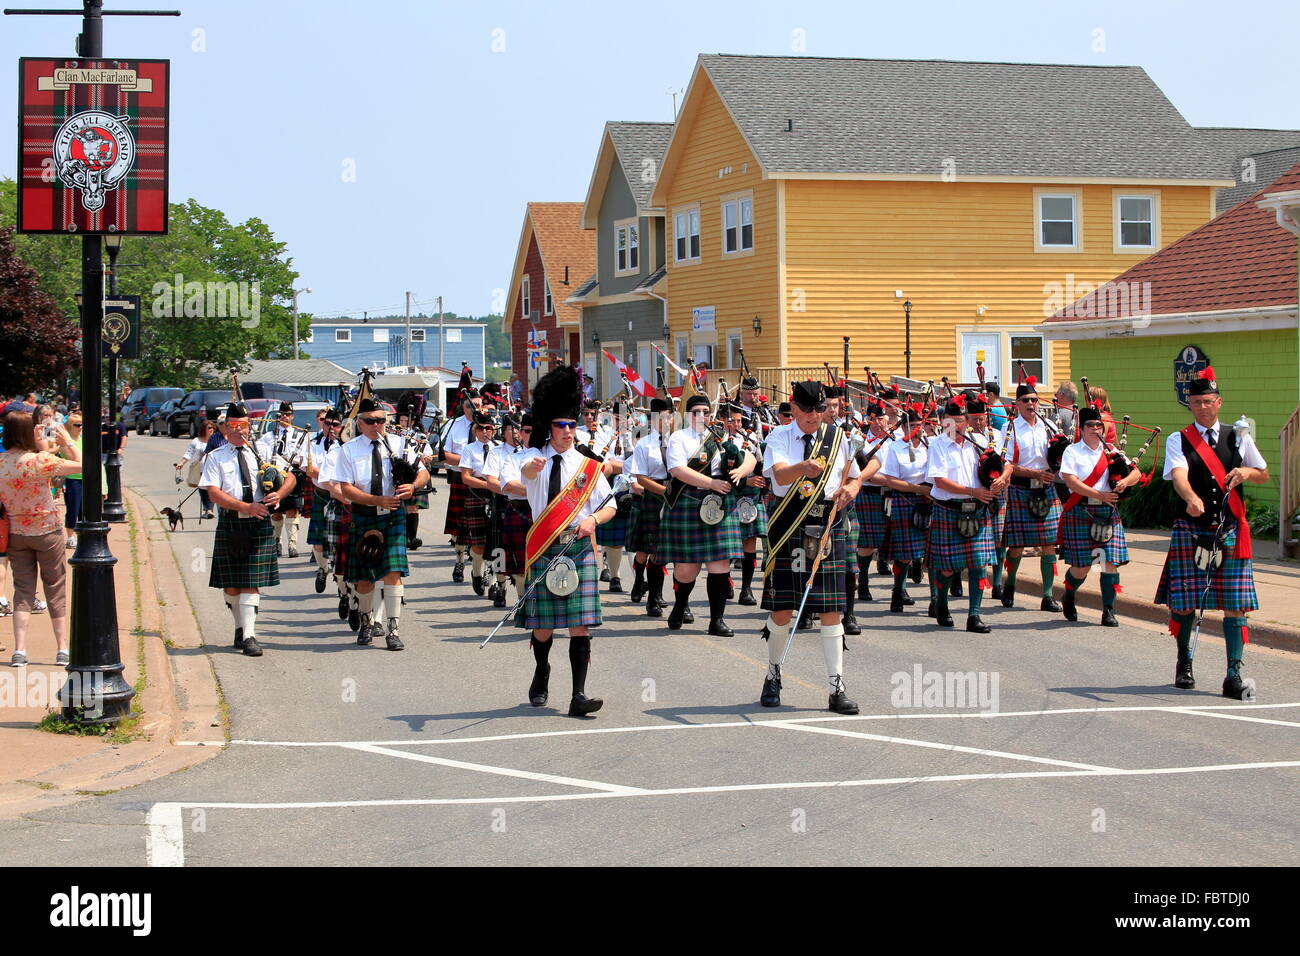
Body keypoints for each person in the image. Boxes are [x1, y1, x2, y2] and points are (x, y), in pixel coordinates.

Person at [1156, 367, 1268, 698]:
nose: (1203, 407)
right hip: (1192, 529)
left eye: (1208, 401)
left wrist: (1246, 471)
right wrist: (1190, 498)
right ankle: (1184, 663)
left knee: (1236, 604)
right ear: (1189, 404)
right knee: (1186, 602)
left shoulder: (1239, 436)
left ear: (1219, 402)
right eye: (1196, 402)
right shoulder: (1179, 438)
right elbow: (1178, 474)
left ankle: (1233, 675)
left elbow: (1262, 474)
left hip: (1231, 529)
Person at [758, 380, 864, 713]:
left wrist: (851, 490)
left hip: (828, 525)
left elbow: (855, 476)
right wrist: (803, 468)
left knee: (833, 611)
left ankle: (836, 687)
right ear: (794, 407)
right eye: (807, 410)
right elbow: (779, 476)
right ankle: (773, 674)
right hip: (791, 526)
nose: (813, 417)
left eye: (819, 410)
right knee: (783, 610)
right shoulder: (778, 437)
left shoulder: (838, 439)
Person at [517, 365, 616, 717]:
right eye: (561, 425)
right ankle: (542, 671)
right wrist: (534, 468)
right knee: (543, 627)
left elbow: (610, 505)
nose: (568, 431)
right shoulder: (533, 459)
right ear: (549, 426)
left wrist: (592, 519)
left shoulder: (587, 466)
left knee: (581, 623)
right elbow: (524, 474)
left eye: (572, 425)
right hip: (545, 547)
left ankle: (578, 694)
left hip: (576, 547)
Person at [199, 403, 295, 657]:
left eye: (242, 425)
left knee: (251, 582)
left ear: (249, 426)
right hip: (232, 521)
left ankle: (251, 636)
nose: (238, 430)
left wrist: (279, 494)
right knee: (231, 586)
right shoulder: (215, 457)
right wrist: (245, 506)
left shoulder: (263, 451)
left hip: (259, 520)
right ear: (224, 428)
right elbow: (213, 493)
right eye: (232, 426)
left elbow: (292, 478)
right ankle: (240, 627)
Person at [334, 398, 428, 650]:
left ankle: (393, 630)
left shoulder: (399, 444)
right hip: (364, 514)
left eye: (381, 420)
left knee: (393, 573)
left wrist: (414, 486)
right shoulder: (349, 450)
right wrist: (377, 500)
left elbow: (423, 472)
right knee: (364, 578)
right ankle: (366, 623)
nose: (376, 425)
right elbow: (346, 489)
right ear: (359, 423)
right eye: (370, 421)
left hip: (394, 515)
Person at [659, 394, 756, 636]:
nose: (701, 416)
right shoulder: (678, 438)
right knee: (686, 569)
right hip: (690, 502)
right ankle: (680, 605)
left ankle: (717, 620)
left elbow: (752, 456)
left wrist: (740, 472)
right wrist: (711, 483)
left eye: (705, 411)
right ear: (688, 415)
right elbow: (677, 470)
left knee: (720, 564)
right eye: (696, 412)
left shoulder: (722, 436)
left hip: (721, 504)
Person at [0, 412, 82, 666]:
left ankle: (20, 651)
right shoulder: (39, 461)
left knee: (22, 591)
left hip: (16, 532)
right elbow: (82, 465)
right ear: (28, 433)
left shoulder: (2, 461)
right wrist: (67, 439)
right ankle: (62, 648)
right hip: (47, 530)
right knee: (54, 587)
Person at [925, 399, 1008, 631]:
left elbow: (1006, 463)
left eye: (961, 421)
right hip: (949, 510)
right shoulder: (937, 445)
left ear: (966, 421)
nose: (957, 426)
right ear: (944, 423)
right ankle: (941, 603)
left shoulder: (979, 442)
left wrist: (1001, 478)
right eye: (952, 422)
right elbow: (939, 480)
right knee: (948, 568)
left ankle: (974, 616)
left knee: (979, 565)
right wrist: (973, 491)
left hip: (978, 510)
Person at [1057, 406, 1141, 626]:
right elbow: (1070, 480)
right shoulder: (1072, 451)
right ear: (1082, 429)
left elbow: (1137, 473)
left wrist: (1125, 481)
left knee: (1108, 563)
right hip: (1081, 509)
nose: (1095, 429)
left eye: (1098, 425)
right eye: (1090, 425)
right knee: (1082, 566)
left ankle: (1109, 611)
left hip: (1107, 512)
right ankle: (1069, 594)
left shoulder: (1112, 451)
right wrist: (1099, 494)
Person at [1001, 376, 1063, 613]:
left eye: (1035, 400)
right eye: (1026, 400)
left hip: (1046, 488)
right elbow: (1006, 463)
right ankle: (1010, 584)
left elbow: (1059, 455)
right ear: (1017, 404)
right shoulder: (1010, 428)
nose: (1031, 404)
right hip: (1020, 488)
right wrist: (1034, 472)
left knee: (1049, 543)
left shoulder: (1050, 427)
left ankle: (1047, 596)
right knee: (1016, 545)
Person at [874, 409, 929, 613]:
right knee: (905, 554)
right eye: (912, 426)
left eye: (919, 425)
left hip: (930, 500)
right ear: (904, 427)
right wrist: (917, 488)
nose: (917, 429)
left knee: (932, 554)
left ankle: (936, 600)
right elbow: (890, 480)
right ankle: (898, 591)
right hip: (906, 499)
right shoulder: (895, 448)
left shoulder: (931, 446)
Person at [627, 397, 673, 616]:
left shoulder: (678, 441)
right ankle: (651, 597)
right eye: (661, 417)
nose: (665, 421)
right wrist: (664, 491)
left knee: (669, 551)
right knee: (651, 550)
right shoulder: (645, 444)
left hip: (677, 496)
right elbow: (641, 478)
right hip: (654, 497)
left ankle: (671, 598)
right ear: (653, 419)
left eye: (668, 416)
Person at [722, 404, 768, 606]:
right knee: (728, 544)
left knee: (749, 542)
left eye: (740, 420)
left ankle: (746, 589)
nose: (737, 424)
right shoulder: (717, 440)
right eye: (733, 420)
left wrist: (758, 479)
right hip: (728, 494)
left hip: (750, 496)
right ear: (722, 420)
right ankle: (725, 580)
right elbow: (719, 472)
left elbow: (760, 464)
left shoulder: (749, 440)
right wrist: (745, 481)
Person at [459, 411, 502, 599]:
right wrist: (488, 484)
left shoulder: (499, 448)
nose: (485, 432)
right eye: (481, 428)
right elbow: (466, 477)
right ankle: (477, 573)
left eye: (489, 428)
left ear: (493, 431)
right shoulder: (469, 449)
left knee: (496, 542)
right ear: (476, 431)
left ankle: (492, 582)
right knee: (478, 544)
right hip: (477, 495)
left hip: (498, 496)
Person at [257, 402, 306, 558]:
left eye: (288, 414)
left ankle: (292, 545)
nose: (285, 417)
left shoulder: (299, 435)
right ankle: (277, 542)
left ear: (292, 416)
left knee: (293, 511)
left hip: (292, 476)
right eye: (282, 414)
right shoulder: (267, 437)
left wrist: (295, 461)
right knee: (276, 512)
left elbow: (303, 458)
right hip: (275, 478)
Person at [304, 410, 343, 593]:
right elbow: (309, 469)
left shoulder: (346, 446)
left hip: (342, 497)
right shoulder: (312, 444)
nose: (331, 428)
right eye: (328, 424)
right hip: (321, 494)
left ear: (341, 426)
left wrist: (327, 476)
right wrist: (331, 478)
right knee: (318, 540)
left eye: (335, 425)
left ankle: (340, 576)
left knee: (340, 541)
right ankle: (323, 568)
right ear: (322, 424)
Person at [176, 417, 216, 519]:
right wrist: (181, 463)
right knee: (203, 489)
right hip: (200, 468)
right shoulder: (196, 441)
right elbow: (189, 453)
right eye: (209, 428)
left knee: (212, 488)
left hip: (213, 469)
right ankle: (208, 509)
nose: (211, 430)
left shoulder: (216, 440)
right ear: (204, 429)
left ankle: (209, 509)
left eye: (213, 428)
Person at [61, 414, 84, 548]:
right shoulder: (66, 442)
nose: (80, 427)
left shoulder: (82, 439)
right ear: (70, 426)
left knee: (84, 510)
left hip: (85, 479)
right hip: (71, 479)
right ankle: (70, 537)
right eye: (77, 425)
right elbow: (72, 459)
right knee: (72, 509)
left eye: (82, 424)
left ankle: (82, 535)